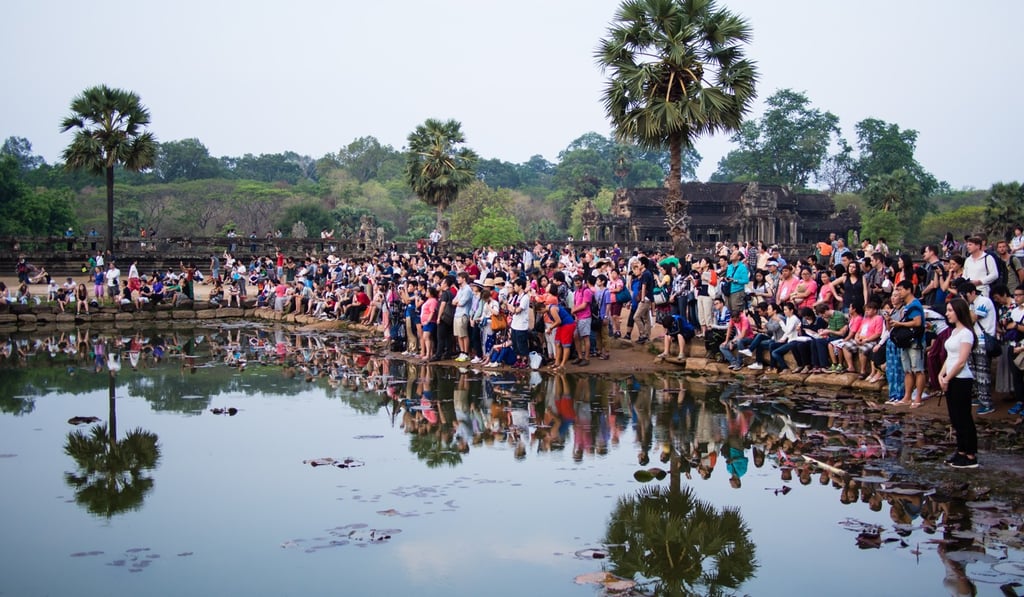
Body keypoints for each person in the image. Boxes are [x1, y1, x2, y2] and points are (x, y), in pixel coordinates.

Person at [938, 298, 979, 469]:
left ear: (958, 311)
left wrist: (947, 378)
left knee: (964, 417)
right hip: (950, 376)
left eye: (949, 310)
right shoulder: (954, 332)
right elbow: (950, 357)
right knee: (954, 417)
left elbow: (961, 361)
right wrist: (941, 374)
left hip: (962, 379)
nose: (947, 314)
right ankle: (960, 450)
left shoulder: (966, 333)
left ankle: (970, 454)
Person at [889, 280, 927, 406]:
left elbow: (917, 322)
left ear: (909, 290)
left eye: (900, 289)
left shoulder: (914, 304)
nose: (898, 292)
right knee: (907, 370)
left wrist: (900, 324)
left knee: (918, 370)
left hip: (916, 341)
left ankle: (918, 398)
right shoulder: (906, 306)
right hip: (906, 342)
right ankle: (907, 396)